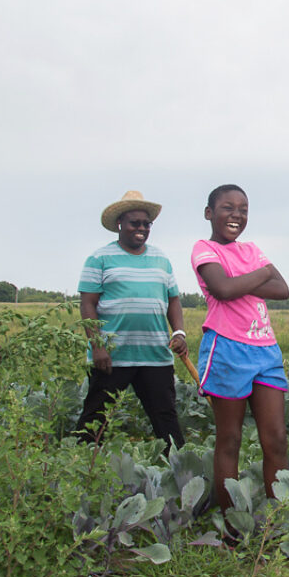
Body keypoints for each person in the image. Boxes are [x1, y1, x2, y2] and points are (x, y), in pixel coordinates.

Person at [191, 184, 289, 507]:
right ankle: (231, 523)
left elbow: (283, 290)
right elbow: (222, 289)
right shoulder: (204, 249)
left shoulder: (251, 250)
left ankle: (278, 518)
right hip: (227, 349)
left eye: (243, 210)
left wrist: (245, 280)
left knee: (275, 439)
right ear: (209, 213)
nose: (236, 215)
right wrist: (262, 274)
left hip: (266, 350)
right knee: (230, 439)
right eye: (227, 208)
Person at [76, 189, 187, 450]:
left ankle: (179, 471)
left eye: (146, 224)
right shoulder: (100, 258)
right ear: (119, 225)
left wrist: (179, 332)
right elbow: (87, 305)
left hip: (155, 355)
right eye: (134, 223)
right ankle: (82, 466)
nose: (141, 228)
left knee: (166, 419)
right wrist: (98, 346)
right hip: (112, 357)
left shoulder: (160, 258)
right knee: (95, 419)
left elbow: (173, 300)